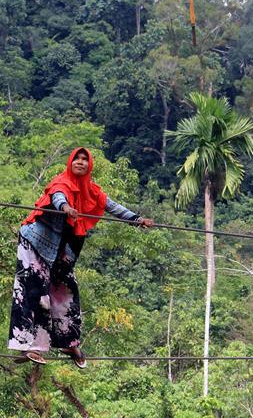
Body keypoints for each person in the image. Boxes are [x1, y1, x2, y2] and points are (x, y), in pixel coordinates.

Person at [8, 147, 154, 367]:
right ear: (70, 162)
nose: (81, 162)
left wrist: (137, 219)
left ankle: (69, 342)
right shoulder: (61, 182)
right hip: (36, 242)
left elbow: (111, 206)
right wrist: (66, 207)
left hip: (61, 250)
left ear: (90, 165)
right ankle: (33, 348)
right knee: (36, 291)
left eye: (85, 159)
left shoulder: (91, 191)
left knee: (67, 291)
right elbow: (58, 197)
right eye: (77, 158)